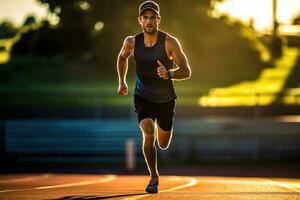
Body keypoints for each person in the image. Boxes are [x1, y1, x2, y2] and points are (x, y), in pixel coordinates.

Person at [117, 0, 191, 194]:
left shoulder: (169, 42)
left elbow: (187, 71)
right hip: (143, 97)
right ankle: (154, 177)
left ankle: (162, 132)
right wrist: (122, 82)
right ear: (140, 20)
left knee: (163, 144)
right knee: (148, 132)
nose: (149, 21)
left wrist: (170, 73)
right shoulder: (131, 42)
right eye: (145, 17)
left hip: (166, 99)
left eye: (152, 17)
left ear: (158, 19)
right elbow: (121, 57)